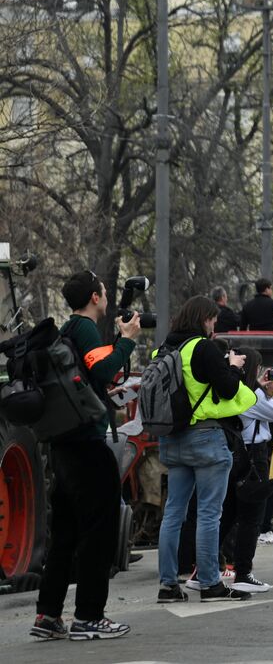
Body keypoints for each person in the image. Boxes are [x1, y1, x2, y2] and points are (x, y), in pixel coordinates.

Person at [29, 272, 142, 641]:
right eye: (105, 292)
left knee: (64, 532)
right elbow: (104, 369)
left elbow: (91, 375)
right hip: (87, 445)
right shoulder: (85, 328)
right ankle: (89, 616)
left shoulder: (66, 330)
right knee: (98, 531)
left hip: (63, 443)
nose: (108, 296)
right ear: (95, 297)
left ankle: (48, 614)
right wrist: (127, 342)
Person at [156, 296, 257, 604]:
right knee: (209, 513)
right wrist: (234, 367)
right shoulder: (201, 347)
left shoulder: (165, 350)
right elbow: (227, 388)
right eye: (212, 319)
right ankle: (211, 583)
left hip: (173, 438)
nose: (214, 325)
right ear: (203, 319)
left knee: (173, 512)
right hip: (205, 438)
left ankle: (167, 584)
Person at [221, 348, 273, 592]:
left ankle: (203, 569)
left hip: (235, 456)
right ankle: (243, 573)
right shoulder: (253, 397)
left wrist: (262, 389)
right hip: (255, 458)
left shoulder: (238, 392)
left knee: (226, 516)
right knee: (251, 519)